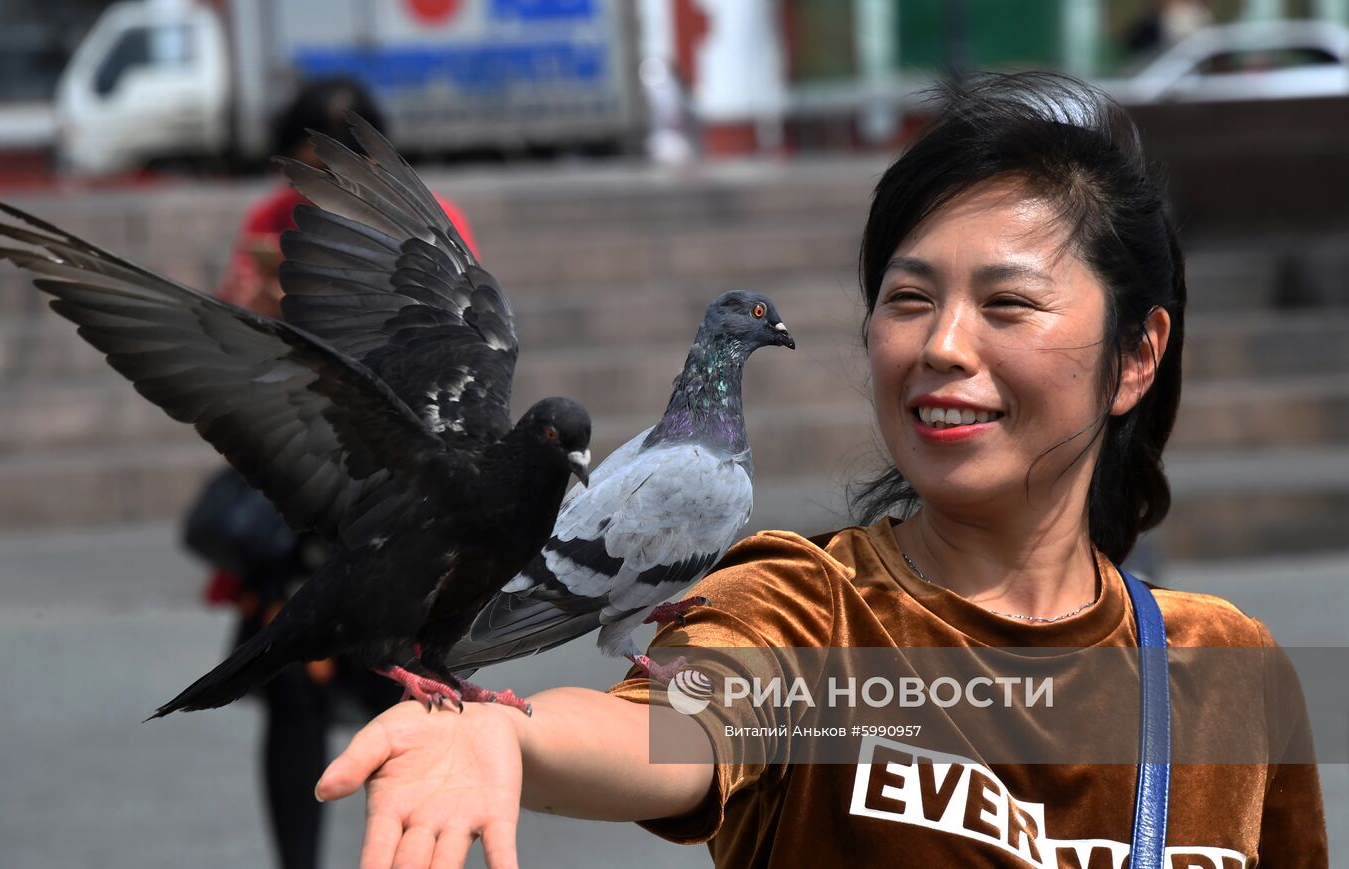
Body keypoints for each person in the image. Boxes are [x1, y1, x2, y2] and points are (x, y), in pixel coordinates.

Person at [309, 72, 1329, 868]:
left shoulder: (1223, 665)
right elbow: (680, 724)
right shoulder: (812, 618)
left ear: (1135, 355)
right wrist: (507, 738)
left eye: (1006, 304)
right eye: (908, 297)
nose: (941, 345)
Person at [193, 79, 478, 869]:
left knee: (409, 697)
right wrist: (246, 307)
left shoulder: (434, 224)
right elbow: (236, 365)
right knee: (290, 691)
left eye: (341, 160)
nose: (323, 180)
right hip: (311, 493)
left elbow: (459, 356)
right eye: (310, 164)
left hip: (402, 503)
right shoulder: (268, 221)